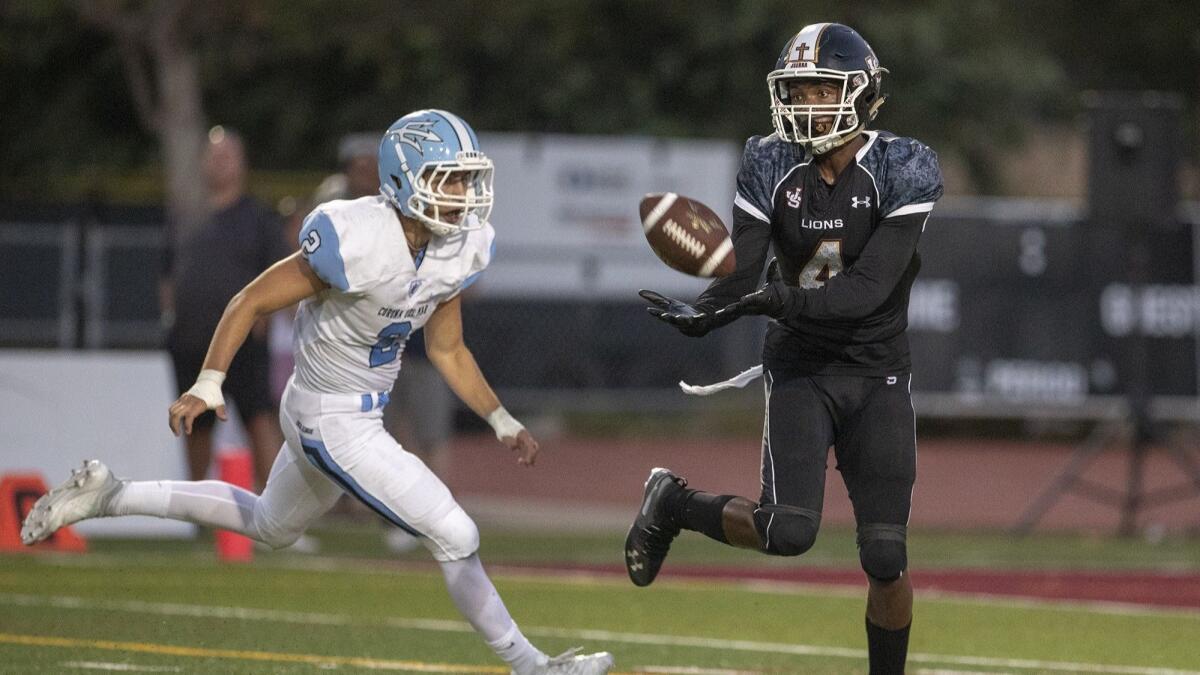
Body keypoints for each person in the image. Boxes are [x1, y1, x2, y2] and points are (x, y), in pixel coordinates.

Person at [22, 109, 614, 675]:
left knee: (271, 527)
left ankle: (111, 496)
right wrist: (209, 381)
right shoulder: (354, 235)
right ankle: (530, 663)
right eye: (449, 178)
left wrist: (501, 418)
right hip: (330, 418)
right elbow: (248, 299)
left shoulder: (454, 247)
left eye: (466, 179)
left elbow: (448, 350)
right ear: (406, 180)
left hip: (349, 416)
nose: (463, 193)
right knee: (456, 533)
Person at [626, 24, 943, 675]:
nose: (805, 101)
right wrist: (707, 312)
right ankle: (673, 503)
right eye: (797, 88)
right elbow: (743, 267)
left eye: (822, 88)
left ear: (861, 93)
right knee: (787, 531)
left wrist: (776, 301)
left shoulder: (902, 165)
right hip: (802, 367)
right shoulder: (770, 159)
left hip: (877, 370)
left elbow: (867, 288)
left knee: (886, 555)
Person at [316, 133, 460, 554]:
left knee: (431, 432)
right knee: (383, 434)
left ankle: (437, 514)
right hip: (373, 344)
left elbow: (461, 279)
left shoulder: (423, 214)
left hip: (421, 340)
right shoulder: (343, 215)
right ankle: (389, 513)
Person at [160, 126, 287, 491]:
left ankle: (275, 504)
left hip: (243, 342)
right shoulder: (186, 215)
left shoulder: (259, 218)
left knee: (258, 418)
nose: (220, 164)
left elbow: (278, 275)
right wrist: (171, 318)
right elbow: (167, 275)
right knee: (194, 423)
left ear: (242, 164)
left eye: (227, 156)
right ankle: (198, 505)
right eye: (214, 157)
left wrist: (262, 321)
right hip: (191, 341)